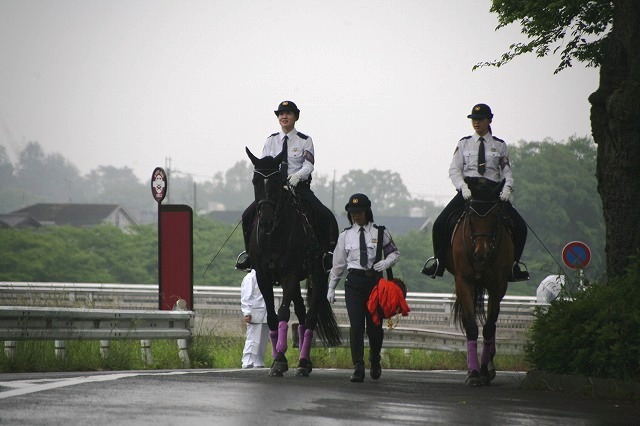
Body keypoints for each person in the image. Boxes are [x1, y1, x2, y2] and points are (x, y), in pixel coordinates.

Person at [421, 103, 529, 282]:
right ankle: (438, 262)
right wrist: (462, 187)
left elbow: (507, 171)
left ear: (489, 120)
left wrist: (508, 187)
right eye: (474, 120)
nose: (476, 123)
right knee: (439, 223)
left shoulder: (499, 145)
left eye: (480, 119)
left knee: (520, 226)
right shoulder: (464, 144)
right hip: (469, 191)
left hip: (493, 192)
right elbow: (454, 170)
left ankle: (513, 265)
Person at [235, 100, 337, 270]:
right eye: (281, 114)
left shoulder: (305, 140)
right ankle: (250, 255)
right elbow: (264, 164)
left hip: (298, 188)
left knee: (326, 215)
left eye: (288, 113)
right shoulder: (271, 140)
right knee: (247, 216)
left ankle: (326, 254)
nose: (284, 117)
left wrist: (297, 177)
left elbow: (309, 165)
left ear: (295, 117)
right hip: (274, 191)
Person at [327, 193, 400, 382]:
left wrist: (386, 263)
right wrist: (331, 287)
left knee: (375, 327)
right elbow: (338, 264)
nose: (356, 216)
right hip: (354, 284)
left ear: (367, 211)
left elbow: (394, 253)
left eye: (359, 212)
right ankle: (358, 367)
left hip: (374, 284)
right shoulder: (345, 236)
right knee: (356, 326)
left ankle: (374, 359)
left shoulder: (380, 232)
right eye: (352, 213)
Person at [240, 269, 269, 369]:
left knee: (262, 340)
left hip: (265, 312)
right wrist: (247, 312)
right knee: (252, 338)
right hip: (255, 312)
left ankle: (258, 360)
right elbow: (245, 296)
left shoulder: (266, 276)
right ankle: (247, 360)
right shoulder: (250, 278)